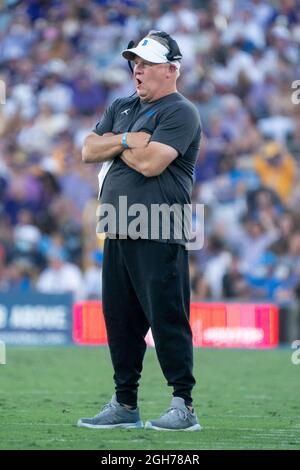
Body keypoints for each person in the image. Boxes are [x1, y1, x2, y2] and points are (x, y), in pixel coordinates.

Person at [77, 31, 202, 431]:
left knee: (167, 318)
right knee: (120, 320)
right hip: (117, 227)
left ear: (171, 70)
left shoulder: (181, 111)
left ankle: (183, 404)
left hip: (160, 227)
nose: (138, 69)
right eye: (135, 62)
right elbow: (86, 149)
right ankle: (125, 403)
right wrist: (131, 139)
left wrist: (113, 143)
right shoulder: (122, 106)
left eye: (147, 63)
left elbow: (152, 164)